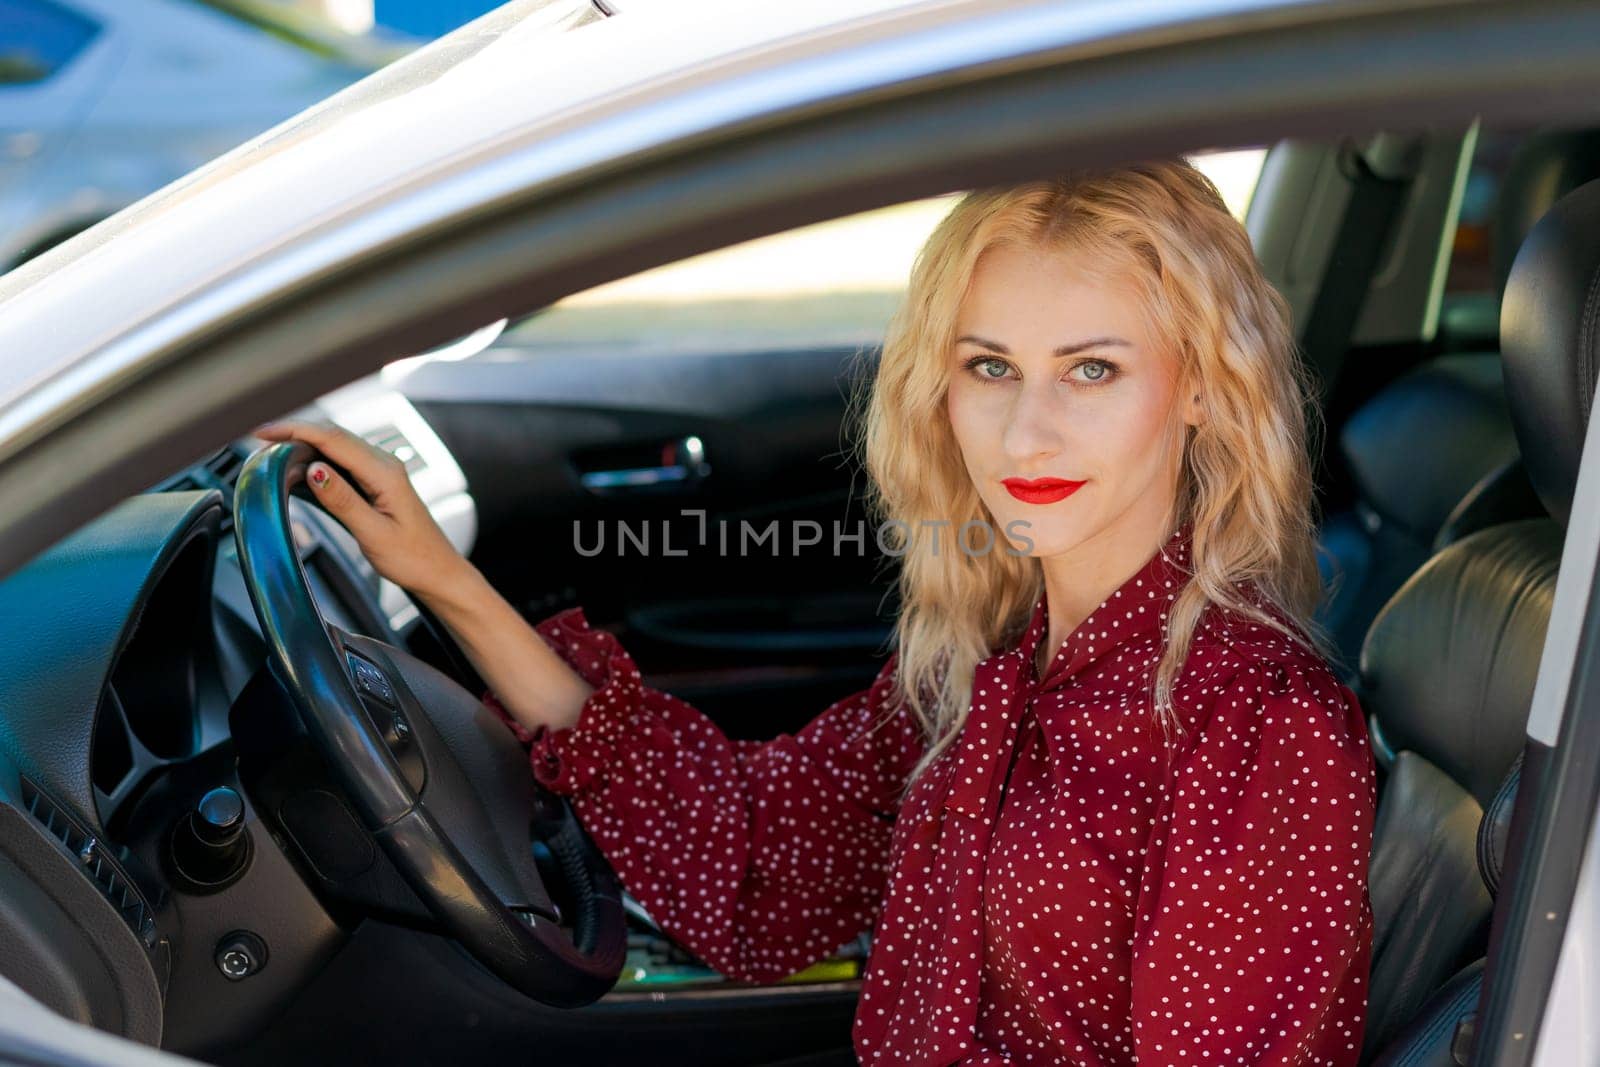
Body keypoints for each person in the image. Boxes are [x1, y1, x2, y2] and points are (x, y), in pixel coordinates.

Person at [255, 158, 1377, 1066]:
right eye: (989, 368)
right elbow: (753, 854)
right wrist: (446, 582)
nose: (1027, 432)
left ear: (1196, 387)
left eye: (1090, 371)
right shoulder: (979, 667)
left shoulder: (1257, 726)